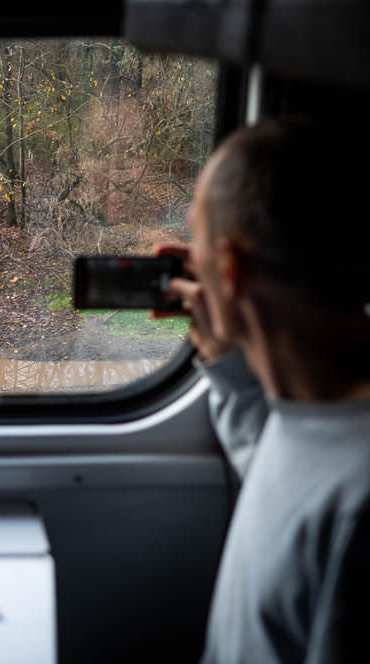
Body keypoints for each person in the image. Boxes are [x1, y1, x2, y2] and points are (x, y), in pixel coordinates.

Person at [160, 117, 369, 662]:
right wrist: (226, 358)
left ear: (228, 266)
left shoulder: (359, 506)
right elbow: (283, 460)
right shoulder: (309, 409)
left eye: (197, 239)